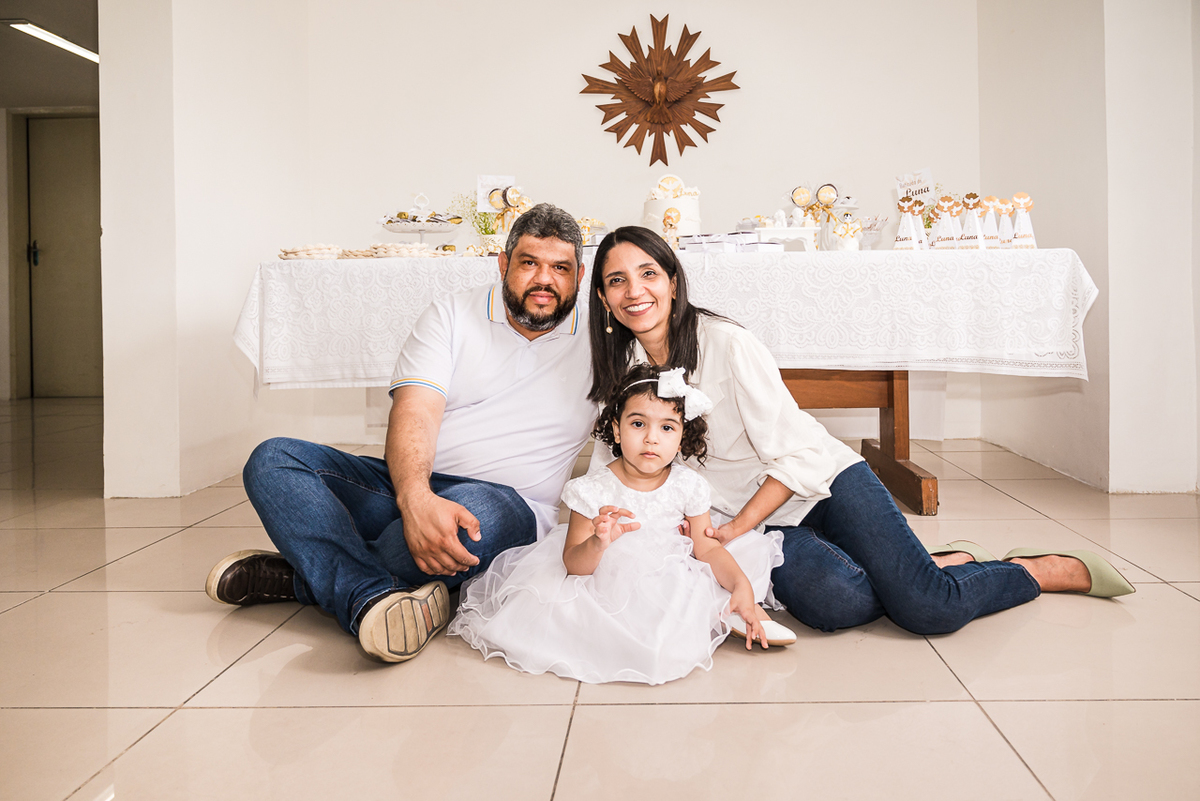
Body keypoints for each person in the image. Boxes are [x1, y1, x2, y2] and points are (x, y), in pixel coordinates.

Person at [586, 225, 1134, 637]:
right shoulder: (622, 372)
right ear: (606, 301)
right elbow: (618, 468)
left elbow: (798, 454)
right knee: (832, 606)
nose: (635, 291)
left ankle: (1033, 570)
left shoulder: (727, 344)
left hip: (818, 482)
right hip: (745, 521)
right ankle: (924, 564)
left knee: (929, 610)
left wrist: (738, 529)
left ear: (674, 282)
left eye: (648, 273)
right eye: (617, 280)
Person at [205, 203, 596, 662]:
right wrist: (414, 499)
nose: (544, 280)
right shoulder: (450, 315)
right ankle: (374, 594)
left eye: (560, 268)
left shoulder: (603, 336)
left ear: (580, 275)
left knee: (472, 517)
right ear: (504, 263)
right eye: (529, 263)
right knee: (273, 459)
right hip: (409, 486)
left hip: (508, 505)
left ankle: (305, 576)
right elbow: (416, 413)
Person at [449, 364, 796, 685]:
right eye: (638, 423)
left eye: (667, 428)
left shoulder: (689, 485)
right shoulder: (591, 489)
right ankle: (708, 615)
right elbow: (574, 567)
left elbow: (706, 548)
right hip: (605, 576)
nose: (651, 439)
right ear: (616, 428)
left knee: (729, 565)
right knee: (614, 629)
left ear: (681, 436)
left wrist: (741, 585)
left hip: (672, 568)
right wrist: (598, 542)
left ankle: (728, 604)